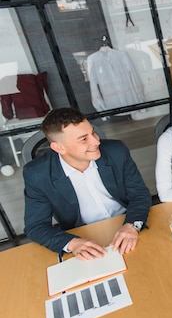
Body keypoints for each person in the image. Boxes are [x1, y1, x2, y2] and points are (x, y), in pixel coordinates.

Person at [23, 108, 151, 260]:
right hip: (83, 237)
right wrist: (72, 243)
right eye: (84, 139)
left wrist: (132, 225)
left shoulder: (116, 151)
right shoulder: (37, 174)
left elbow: (139, 194)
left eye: (93, 132)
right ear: (59, 147)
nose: (96, 141)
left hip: (129, 223)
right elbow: (35, 226)